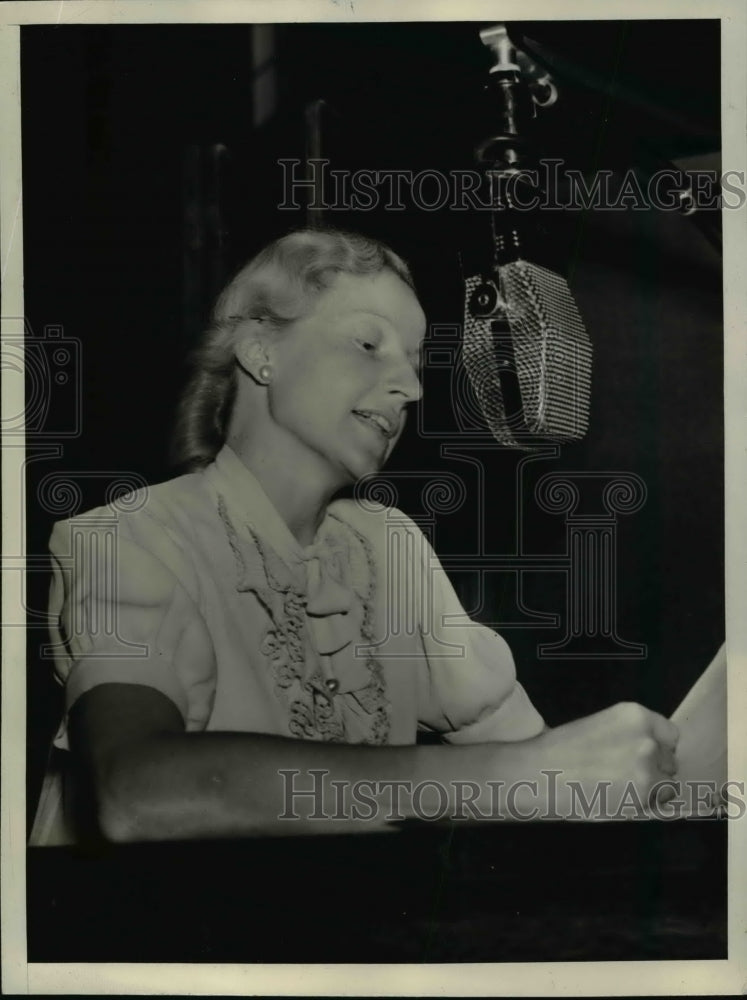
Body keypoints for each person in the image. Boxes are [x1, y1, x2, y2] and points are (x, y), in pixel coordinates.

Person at [30, 227, 678, 845]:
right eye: (368, 344)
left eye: (416, 360)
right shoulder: (129, 538)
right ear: (260, 351)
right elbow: (135, 795)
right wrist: (515, 778)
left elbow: (531, 753)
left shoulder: (388, 546)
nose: (411, 387)